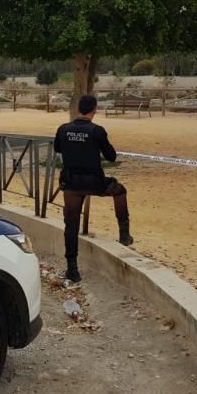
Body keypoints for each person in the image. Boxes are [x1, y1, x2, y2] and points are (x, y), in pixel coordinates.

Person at [53, 94, 133, 282]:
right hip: (94, 183)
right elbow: (111, 156)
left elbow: (58, 148)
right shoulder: (97, 131)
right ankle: (124, 234)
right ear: (94, 110)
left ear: (79, 108)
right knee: (120, 191)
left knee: (71, 224)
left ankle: (72, 268)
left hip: (71, 183)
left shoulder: (63, 129)